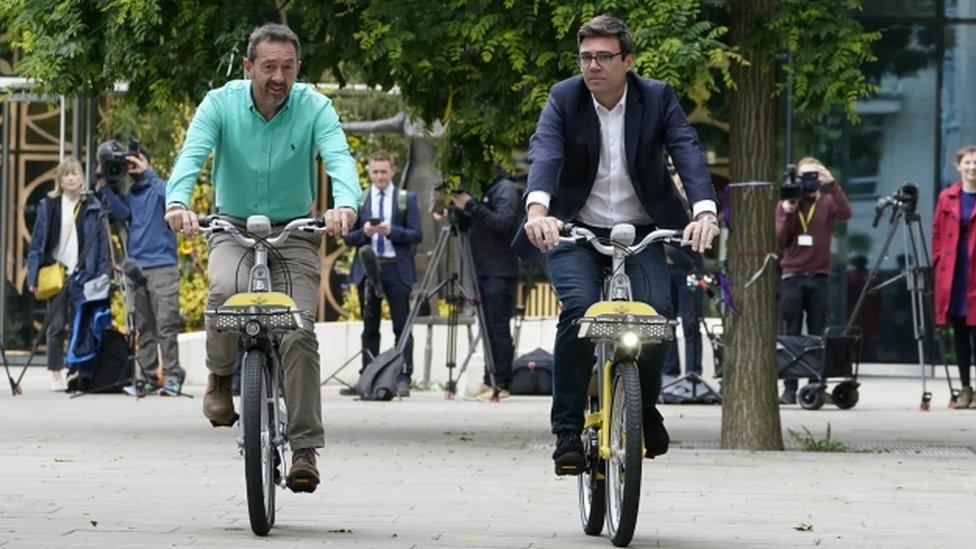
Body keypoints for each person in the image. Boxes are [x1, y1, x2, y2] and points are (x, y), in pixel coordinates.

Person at [512, 14, 720, 475]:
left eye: (604, 57)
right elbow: (545, 150)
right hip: (573, 230)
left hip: (642, 232)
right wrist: (538, 212)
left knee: (657, 317)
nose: (593, 66)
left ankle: (642, 408)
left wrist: (704, 210)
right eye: (586, 57)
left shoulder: (657, 97)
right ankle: (567, 428)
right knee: (580, 308)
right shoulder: (565, 98)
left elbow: (686, 150)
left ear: (628, 60)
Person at [164, 23, 359, 493]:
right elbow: (191, 157)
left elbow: (339, 158)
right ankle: (220, 376)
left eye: (287, 67)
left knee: (296, 328)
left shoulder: (315, 107)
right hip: (232, 227)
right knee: (223, 292)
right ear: (249, 67)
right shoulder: (219, 104)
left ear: (298, 69)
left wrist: (346, 204)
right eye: (268, 66)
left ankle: (305, 447)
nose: (278, 76)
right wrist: (177, 203)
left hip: (294, 232)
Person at [98, 149, 186, 396]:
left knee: (166, 326)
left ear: (149, 163)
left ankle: (172, 376)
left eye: (138, 162)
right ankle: (148, 377)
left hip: (163, 267)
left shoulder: (161, 189)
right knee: (145, 327)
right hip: (138, 268)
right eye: (130, 164)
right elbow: (120, 213)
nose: (133, 167)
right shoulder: (131, 195)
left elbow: (171, 194)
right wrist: (105, 184)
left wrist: (148, 171)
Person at [341, 151, 422, 397]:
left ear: (392, 171)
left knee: (402, 325)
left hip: (396, 267)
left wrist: (391, 231)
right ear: (369, 172)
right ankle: (368, 375)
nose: (379, 176)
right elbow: (348, 238)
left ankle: (403, 377)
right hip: (368, 267)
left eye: (383, 172)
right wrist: (365, 232)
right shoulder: (360, 199)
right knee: (370, 325)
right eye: (375, 172)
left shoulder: (406, 199)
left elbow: (416, 235)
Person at [26, 157, 110, 391]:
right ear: (60, 180)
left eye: (75, 174)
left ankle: (76, 371)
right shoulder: (50, 205)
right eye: (66, 174)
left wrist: (103, 272)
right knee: (57, 324)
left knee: (81, 324)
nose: (71, 178)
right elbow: (37, 243)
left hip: (84, 272)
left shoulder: (92, 204)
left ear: (82, 178)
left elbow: (102, 242)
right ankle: (55, 372)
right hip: (58, 271)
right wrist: (32, 275)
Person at [775, 156, 852, 404]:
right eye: (805, 175)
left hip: (820, 275)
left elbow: (846, 213)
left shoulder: (827, 200)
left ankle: (817, 384)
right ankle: (789, 388)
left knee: (818, 331)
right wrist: (788, 213)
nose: (810, 180)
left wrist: (833, 183)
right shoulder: (788, 202)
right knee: (791, 332)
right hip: (792, 276)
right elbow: (778, 242)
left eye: (815, 175)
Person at [442, 171, 521, 400]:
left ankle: (502, 383)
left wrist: (471, 205)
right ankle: (490, 379)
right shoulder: (487, 189)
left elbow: (502, 222)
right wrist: (459, 210)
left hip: (500, 270)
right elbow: (475, 223)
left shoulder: (505, 189)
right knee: (487, 328)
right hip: (483, 270)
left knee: (497, 327)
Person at [933, 145, 976, 409]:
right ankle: (965, 389)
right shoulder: (947, 197)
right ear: (958, 166)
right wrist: (939, 260)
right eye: (968, 163)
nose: (972, 168)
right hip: (956, 271)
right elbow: (937, 231)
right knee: (960, 332)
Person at [662, 161, 705, 379]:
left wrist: (684, 197)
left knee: (690, 322)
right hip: (665, 269)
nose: (675, 177)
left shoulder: (692, 202)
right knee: (667, 323)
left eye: (677, 172)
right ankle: (669, 373)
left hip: (689, 268)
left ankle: (693, 373)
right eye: (670, 172)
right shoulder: (661, 199)